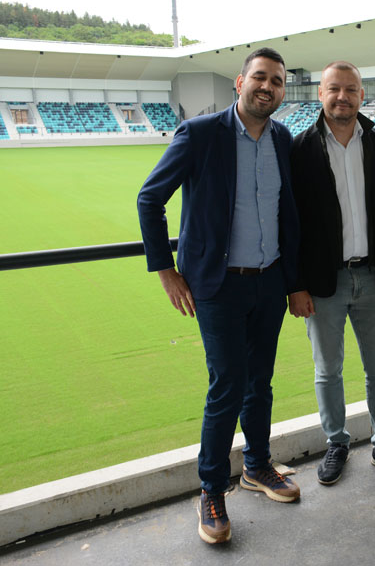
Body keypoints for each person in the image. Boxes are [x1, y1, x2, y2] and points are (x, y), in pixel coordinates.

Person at [137, 47, 301, 545]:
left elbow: (288, 214)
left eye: (276, 81)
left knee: (260, 382)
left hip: (269, 282)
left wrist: (293, 280)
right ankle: (211, 489)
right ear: (240, 81)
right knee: (227, 384)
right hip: (217, 285)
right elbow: (150, 198)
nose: (267, 87)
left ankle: (256, 465)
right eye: (260, 77)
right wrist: (166, 270)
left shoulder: (282, 138)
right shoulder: (201, 133)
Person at [288, 61, 375, 485]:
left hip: (373, 276)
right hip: (322, 282)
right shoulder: (300, 148)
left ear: (362, 95)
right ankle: (337, 442)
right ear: (321, 94)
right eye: (334, 89)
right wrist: (296, 285)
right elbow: (289, 223)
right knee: (327, 370)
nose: (342, 97)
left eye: (350, 89)